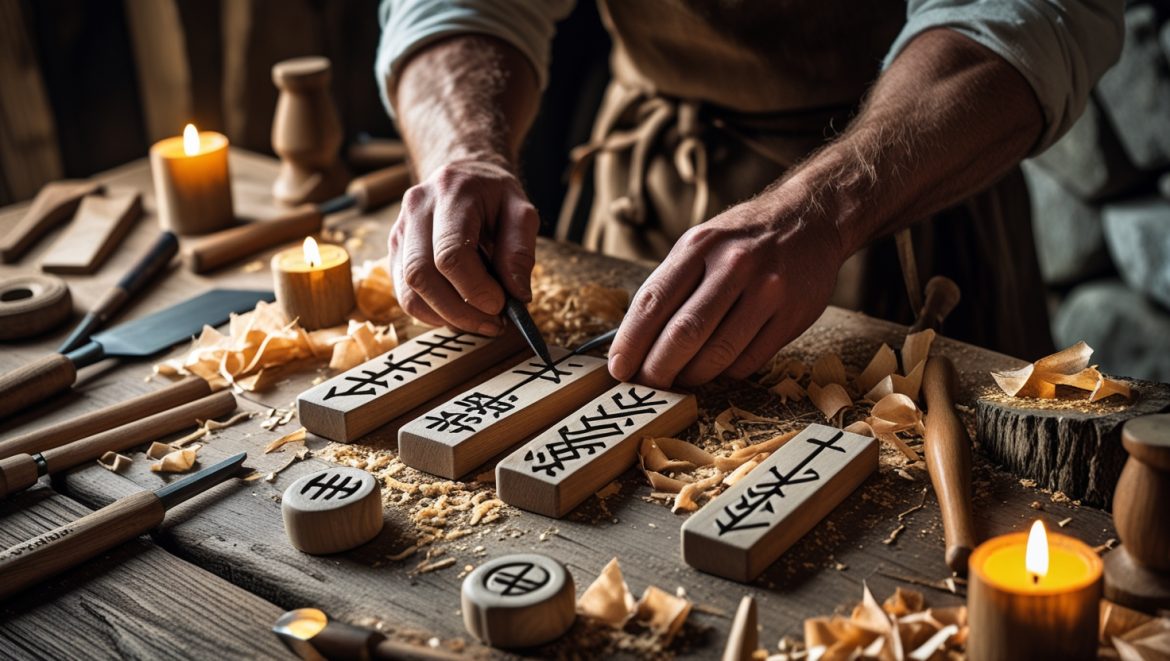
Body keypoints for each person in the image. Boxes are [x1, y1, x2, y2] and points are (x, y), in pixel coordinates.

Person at [375, 1, 1122, 388]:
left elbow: (1027, 13)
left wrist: (823, 210)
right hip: (646, 186)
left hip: (912, 188)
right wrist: (463, 149)